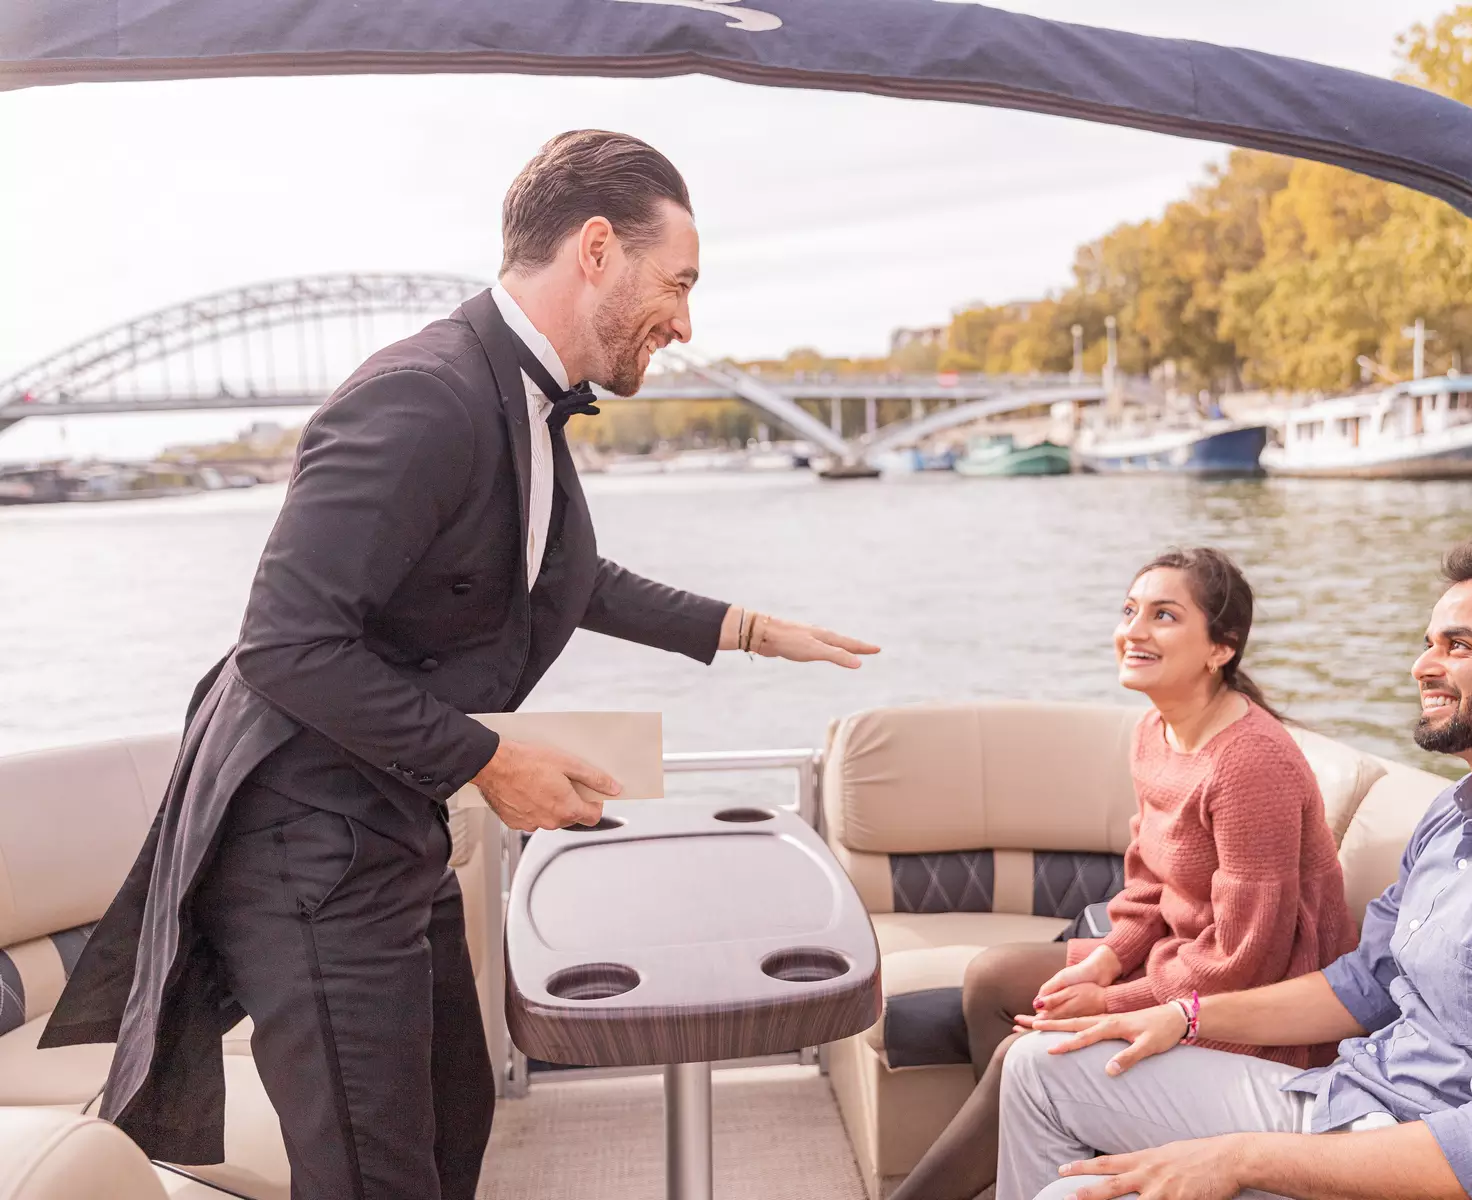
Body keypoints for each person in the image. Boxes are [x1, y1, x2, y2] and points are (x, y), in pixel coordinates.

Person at [42, 130, 878, 1200]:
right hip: (310, 846)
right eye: (677, 283)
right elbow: (287, 643)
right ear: (594, 251)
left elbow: (559, 572)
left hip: (388, 823)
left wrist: (751, 628)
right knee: (373, 1175)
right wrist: (490, 760)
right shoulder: (423, 395)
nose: (685, 319)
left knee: (453, 1126)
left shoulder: (514, 400)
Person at [998, 532, 1472, 1200]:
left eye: (1459, 647)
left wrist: (1236, 1156)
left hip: (1432, 1166)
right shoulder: (1457, 813)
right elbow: (1367, 982)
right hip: (1354, 1099)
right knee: (1041, 1068)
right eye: (1428, 642)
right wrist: (1183, 1017)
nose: (1422, 666)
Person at [891, 547, 1356, 1200]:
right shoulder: (1154, 733)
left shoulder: (1250, 765)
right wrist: (1105, 965)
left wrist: (1111, 1005)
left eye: (1163, 615)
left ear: (1220, 648)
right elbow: (1147, 885)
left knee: (1026, 1054)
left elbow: (1247, 959)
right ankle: (1038, 1160)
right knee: (993, 979)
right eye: (1130, 610)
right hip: (1180, 961)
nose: (1134, 630)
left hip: (1255, 1010)